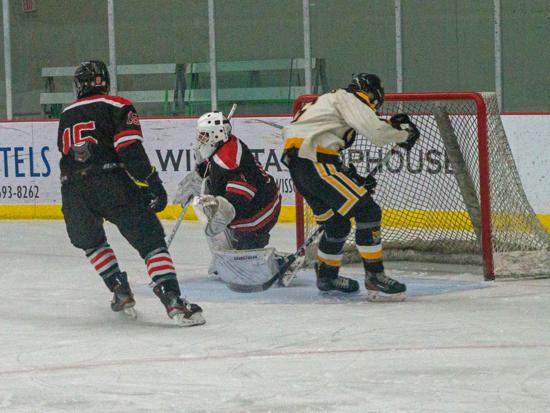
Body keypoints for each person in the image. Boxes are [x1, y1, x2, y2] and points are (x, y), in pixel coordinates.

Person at [57, 60, 205, 326]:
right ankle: (172, 298)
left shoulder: (66, 113)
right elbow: (129, 150)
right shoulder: (117, 105)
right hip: (110, 182)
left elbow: (70, 155)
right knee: (151, 241)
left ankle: (119, 289)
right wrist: (151, 182)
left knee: (91, 242)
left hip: (72, 189)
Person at [281, 73, 420, 301]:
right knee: (368, 211)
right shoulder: (348, 98)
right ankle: (375, 275)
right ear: (372, 93)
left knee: (336, 224)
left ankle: (327, 277)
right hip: (315, 163)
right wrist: (404, 134)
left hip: (301, 166)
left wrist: (348, 176)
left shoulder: (328, 101)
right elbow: (376, 133)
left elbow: (320, 142)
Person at [174, 110, 289, 289]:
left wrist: (221, 215)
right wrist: (196, 179)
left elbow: (239, 197)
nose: (201, 139)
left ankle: (280, 263)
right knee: (208, 208)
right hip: (253, 206)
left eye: (204, 135)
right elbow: (211, 167)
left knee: (246, 268)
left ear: (217, 134)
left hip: (261, 212)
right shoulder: (221, 146)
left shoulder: (229, 160)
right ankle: (229, 254)